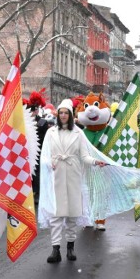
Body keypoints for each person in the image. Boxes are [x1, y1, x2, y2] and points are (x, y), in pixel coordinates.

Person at [38, 99, 107, 263]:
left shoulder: (79, 133)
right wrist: (50, 163)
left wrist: (96, 161)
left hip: (74, 175)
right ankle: (55, 249)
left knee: (72, 214)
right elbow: (44, 156)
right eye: (60, 113)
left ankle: (70, 247)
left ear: (70, 115)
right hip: (56, 175)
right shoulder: (50, 132)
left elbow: (84, 156)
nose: (63, 116)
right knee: (56, 214)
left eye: (66, 113)